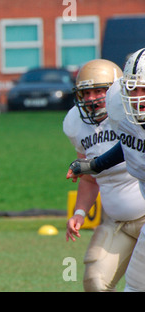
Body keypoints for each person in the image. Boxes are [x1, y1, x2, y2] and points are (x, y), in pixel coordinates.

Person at [67, 48, 145, 291]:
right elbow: (128, 146)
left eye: (99, 91)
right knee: (96, 282)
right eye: (86, 93)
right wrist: (80, 210)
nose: (91, 98)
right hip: (116, 220)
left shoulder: (128, 114)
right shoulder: (76, 122)